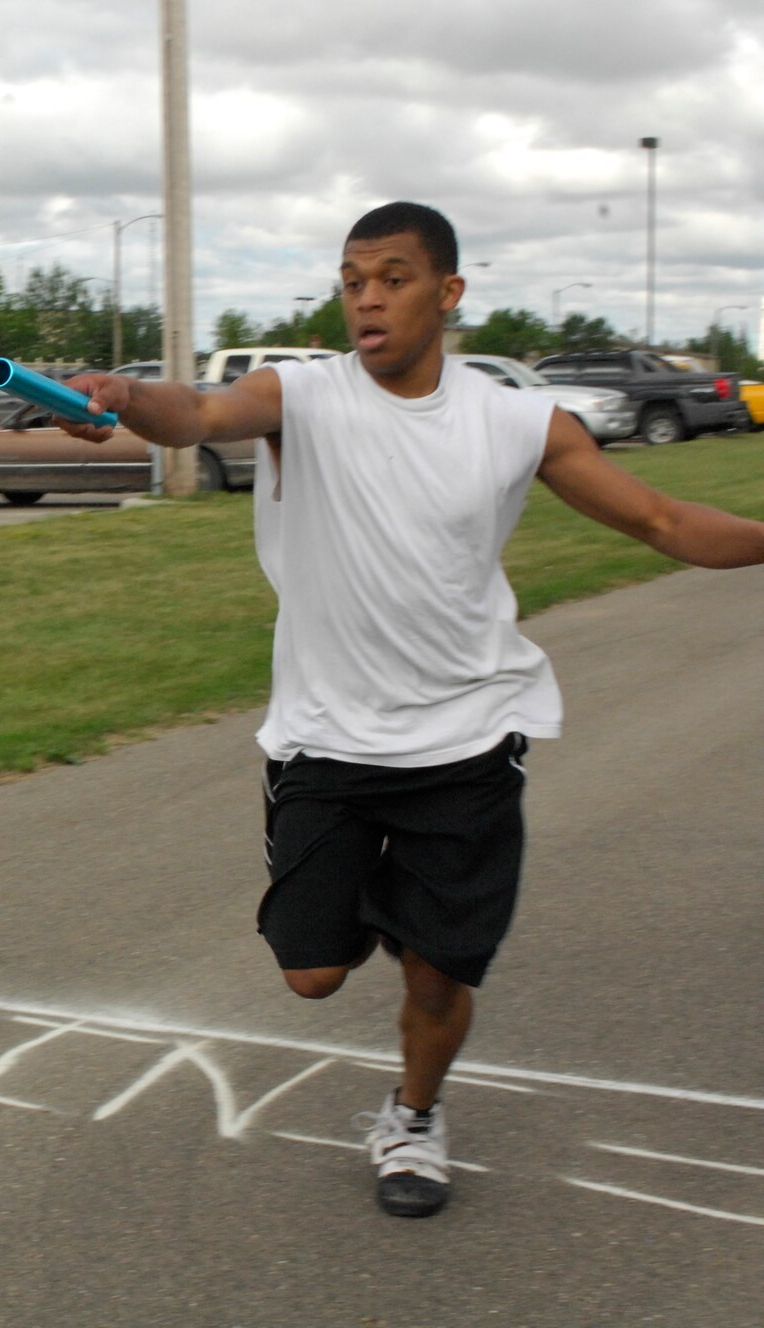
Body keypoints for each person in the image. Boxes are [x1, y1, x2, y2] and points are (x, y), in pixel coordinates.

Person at [61, 201, 764, 1219]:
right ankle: (400, 906)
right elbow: (197, 413)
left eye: (390, 276)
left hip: (465, 739)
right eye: (350, 279)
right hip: (324, 738)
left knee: (433, 983)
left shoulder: (517, 421)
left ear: (447, 292)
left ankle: (412, 1114)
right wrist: (122, 392)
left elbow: (660, 517)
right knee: (309, 973)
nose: (366, 298)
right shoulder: (299, 396)